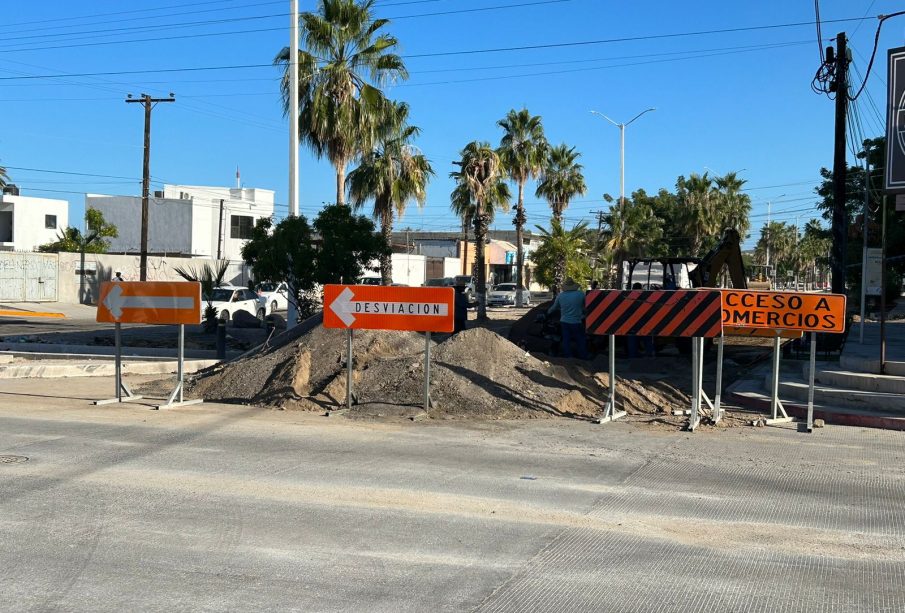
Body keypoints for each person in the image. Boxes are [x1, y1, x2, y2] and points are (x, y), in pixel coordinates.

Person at [547, 277, 587, 359]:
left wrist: (548, 312)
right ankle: (583, 356)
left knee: (566, 340)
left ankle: (568, 356)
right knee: (580, 339)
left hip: (564, 322)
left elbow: (554, 307)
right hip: (576, 322)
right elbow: (586, 306)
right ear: (574, 286)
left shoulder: (560, 296)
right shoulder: (580, 294)